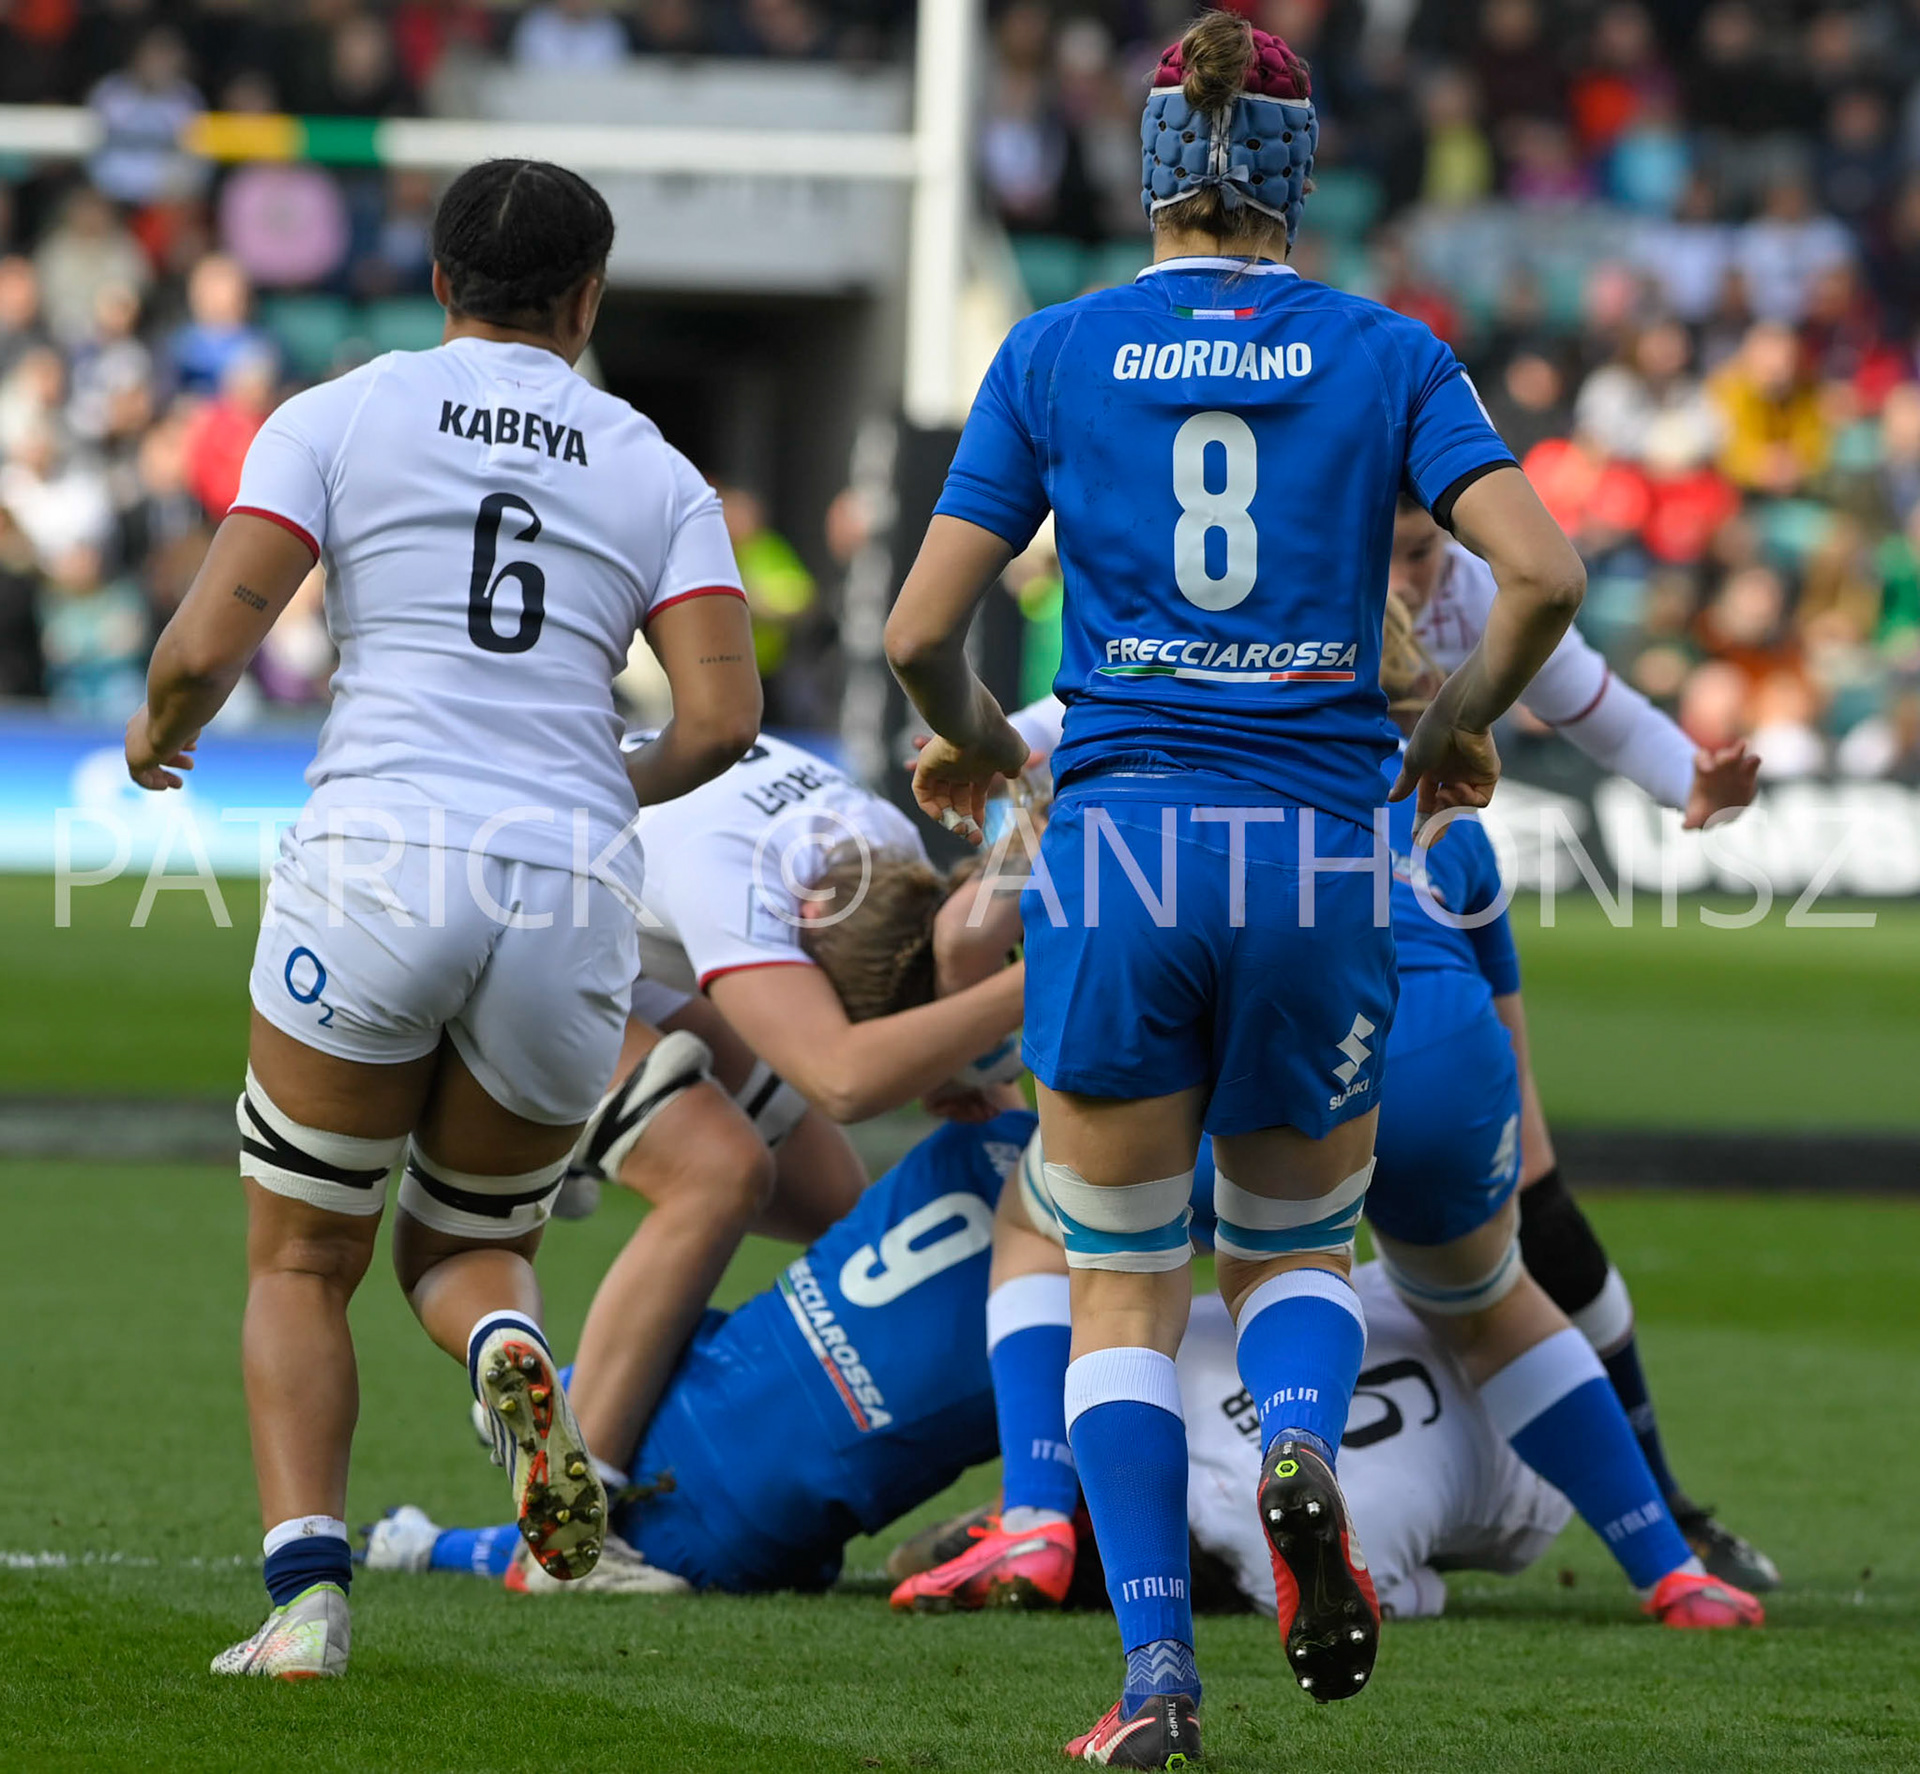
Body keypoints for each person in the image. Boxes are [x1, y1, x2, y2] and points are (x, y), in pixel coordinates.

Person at [882, 14, 1584, 1761]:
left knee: (1118, 1279)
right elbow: (1545, 575)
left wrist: (980, 743)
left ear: (1149, 167)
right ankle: (1291, 1438)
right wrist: (1457, 734)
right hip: (1322, 845)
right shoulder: (1389, 352)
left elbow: (914, 632)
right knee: (1294, 1253)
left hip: (1124, 847)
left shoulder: (1052, 352)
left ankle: (1155, 1682)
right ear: (1298, 167)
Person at [123, 158, 763, 1680]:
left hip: (379, 855)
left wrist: (163, 725)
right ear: (589, 298)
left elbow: (219, 626)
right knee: (468, 1242)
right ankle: (509, 1357)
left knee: (301, 1257)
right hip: (569, 886)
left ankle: (305, 1603)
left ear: (437, 283)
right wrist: (611, 778)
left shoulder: (341, 411)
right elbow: (726, 714)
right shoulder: (654, 465)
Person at [996, 498, 1778, 1596]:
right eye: (1400, 555)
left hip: (1271, 973)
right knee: (1493, 1288)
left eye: (1427, 552)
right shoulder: (1453, 791)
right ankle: (1669, 1563)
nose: (1415, 578)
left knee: (1086, 1239)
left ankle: (1043, 1522)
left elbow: (1085, 715)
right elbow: (1494, 956)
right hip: (1432, 1037)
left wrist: (982, 744)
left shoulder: (1258, 610)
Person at [363, 1115, 1589, 1626]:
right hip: (744, 1529)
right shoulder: (1140, 1244)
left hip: (707, 1388)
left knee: (727, 1375)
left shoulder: (975, 1142)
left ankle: (482, 1508)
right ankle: (1040, 1518)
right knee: (1164, 1319)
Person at [549, 726, 1030, 1484]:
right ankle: (571, 1511)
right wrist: (1028, 984)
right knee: (716, 1174)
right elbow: (843, 1078)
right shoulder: (735, 876)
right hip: (506, 934)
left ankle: (591, 1384)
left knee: (838, 1205)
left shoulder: (884, 851)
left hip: (602, 920)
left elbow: (929, 1008)